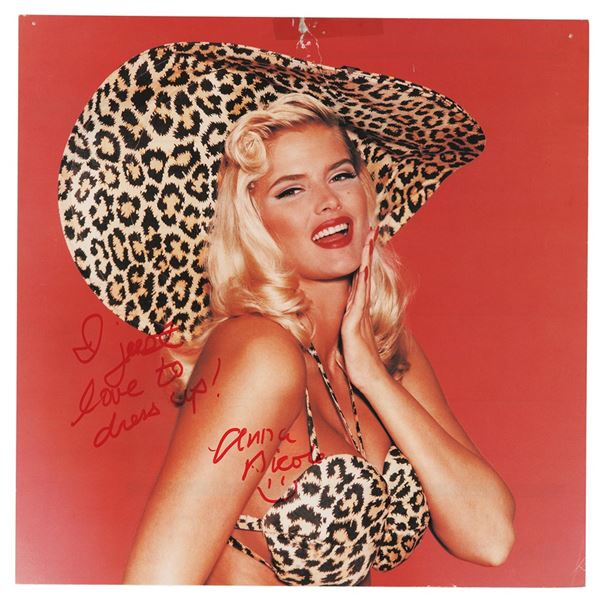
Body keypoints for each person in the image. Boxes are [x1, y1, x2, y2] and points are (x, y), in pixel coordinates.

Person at [58, 42, 514, 586]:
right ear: (255, 224)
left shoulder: (383, 345)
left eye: (340, 175)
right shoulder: (259, 350)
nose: (328, 202)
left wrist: (370, 373)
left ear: (366, 190)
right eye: (291, 190)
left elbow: (489, 538)